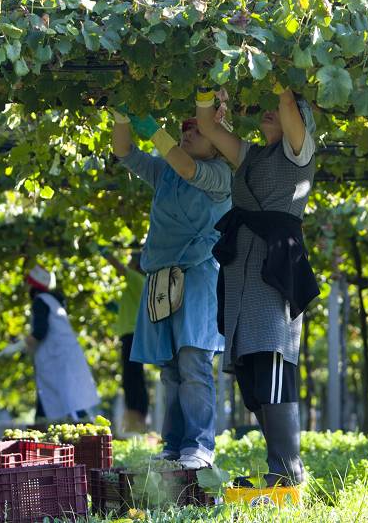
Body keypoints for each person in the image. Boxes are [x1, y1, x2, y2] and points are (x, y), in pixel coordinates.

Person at [196, 81, 319, 488]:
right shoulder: (252, 154)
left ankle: (289, 470)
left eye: (280, 111)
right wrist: (204, 92)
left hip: (274, 268)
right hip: (242, 272)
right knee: (251, 371)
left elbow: (288, 105)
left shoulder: (298, 154)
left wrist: (277, 77)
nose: (269, 112)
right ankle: (279, 469)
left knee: (273, 362)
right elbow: (208, 129)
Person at [110, 106, 230, 469]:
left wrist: (154, 131)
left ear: (217, 142)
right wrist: (122, 117)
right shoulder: (165, 172)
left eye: (196, 128)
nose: (187, 131)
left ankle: (200, 446)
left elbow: (188, 168)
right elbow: (124, 152)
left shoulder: (222, 173)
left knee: (194, 360)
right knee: (170, 369)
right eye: (184, 127)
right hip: (161, 279)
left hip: (198, 277)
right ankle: (173, 446)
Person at [24, 265, 101, 422]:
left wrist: (21, 345)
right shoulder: (54, 301)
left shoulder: (40, 301)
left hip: (56, 358)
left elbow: (40, 332)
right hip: (63, 356)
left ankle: (88, 433)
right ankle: (84, 430)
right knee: (67, 396)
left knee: (67, 398)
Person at [101, 244, 149, 434]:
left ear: (137, 264)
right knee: (133, 377)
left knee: (132, 378)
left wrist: (106, 253)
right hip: (132, 334)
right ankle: (136, 419)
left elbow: (119, 268)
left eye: (131, 260)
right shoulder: (138, 283)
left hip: (133, 334)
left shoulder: (137, 279)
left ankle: (137, 419)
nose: (128, 263)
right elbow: (127, 307)